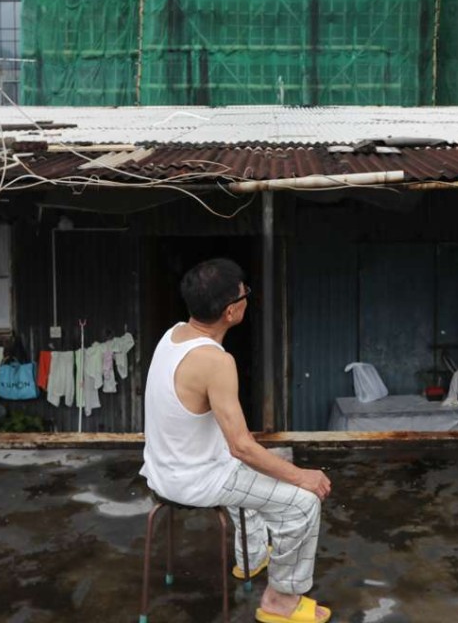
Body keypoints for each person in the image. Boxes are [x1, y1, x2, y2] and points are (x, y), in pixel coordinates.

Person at [140, 258, 332, 623]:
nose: (248, 298)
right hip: (197, 479)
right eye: (246, 294)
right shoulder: (216, 362)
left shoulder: (174, 334)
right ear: (231, 311)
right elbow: (240, 446)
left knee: (271, 463)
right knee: (303, 502)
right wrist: (301, 476)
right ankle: (280, 600)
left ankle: (252, 557)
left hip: (163, 467)